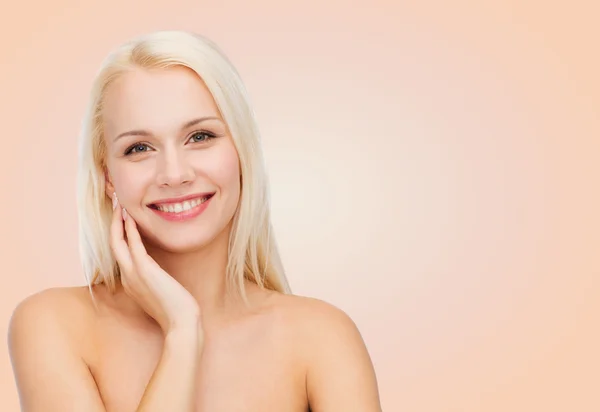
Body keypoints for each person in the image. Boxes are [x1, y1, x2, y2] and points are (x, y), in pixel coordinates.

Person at [7, 30, 382, 411]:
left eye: (200, 136)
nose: (174, 173)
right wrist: (182, 333)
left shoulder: (322, 337)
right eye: (139, 148)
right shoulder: (53, 325)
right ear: (108, 176)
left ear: (241, 150)